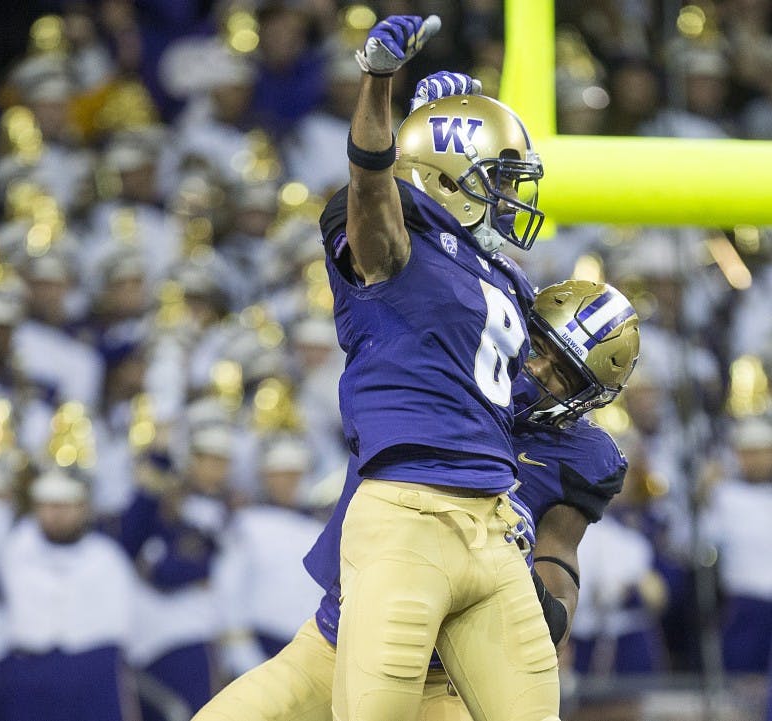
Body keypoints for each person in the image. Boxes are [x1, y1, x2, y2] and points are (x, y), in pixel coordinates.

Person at [192, 279, 641, 721]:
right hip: (338, 637)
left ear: (589, 398)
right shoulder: (445, 373)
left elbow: (557, 567)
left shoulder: (581, 458)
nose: (539, 370)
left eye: (563, 373)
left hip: (448, 677)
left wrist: (526, 585)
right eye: (539, 347)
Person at [317, 15, 551, 721]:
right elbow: (370, 192)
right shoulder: (397, 250)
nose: (514, 194)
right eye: (499, 177)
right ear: (450, 177)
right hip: (408, 517)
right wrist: (380, 85)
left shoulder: (497, 275)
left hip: (492, 521)